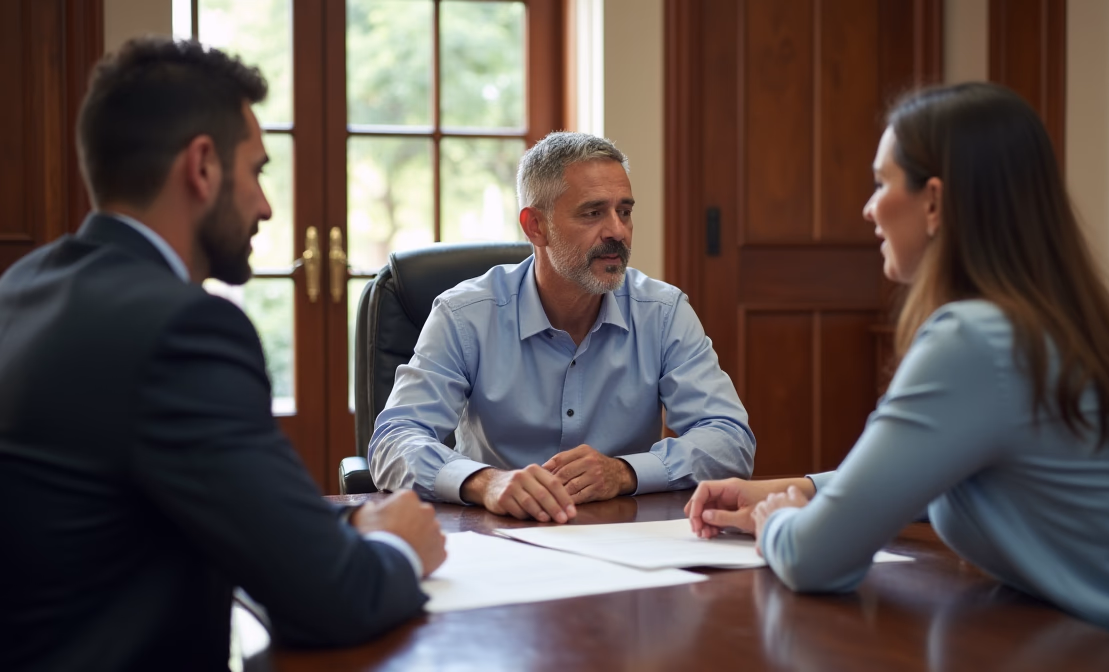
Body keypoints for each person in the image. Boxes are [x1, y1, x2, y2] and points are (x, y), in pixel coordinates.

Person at [685, 82, 1109, 663]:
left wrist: (775, 520)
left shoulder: (974, 341)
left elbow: (816, 558)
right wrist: (806, 488)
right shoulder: (1043, 323)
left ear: (933, 202)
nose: (869, 207)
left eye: (881, 183)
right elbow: (951, 472)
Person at [0, 38, 446, 672]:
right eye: (258, 171)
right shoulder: (181, 330)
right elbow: (335, 598)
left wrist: (342, 535)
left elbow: (213, 508)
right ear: (202, 167)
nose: (265, 206)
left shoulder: (23, 286)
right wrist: (400, 546)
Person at [370, 131, 755, 523]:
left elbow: (730, 439)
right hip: (497, 538)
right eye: (593, 213)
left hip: (623, 537)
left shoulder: (663, 312)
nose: (617, 232)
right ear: (535, 226)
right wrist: (486, 483)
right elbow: (393, 441)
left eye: (624, 211)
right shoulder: (465, 315)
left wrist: (624, 472)